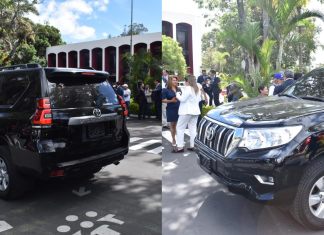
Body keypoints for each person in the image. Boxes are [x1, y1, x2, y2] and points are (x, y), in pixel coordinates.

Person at [173, 75, 201, 153]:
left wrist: (177, 94)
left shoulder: (188, 88)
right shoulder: (197, 88)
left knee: (180, 128)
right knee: (193, 129)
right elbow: (199, 100)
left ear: (188, 81)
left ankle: (180, 147)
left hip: (186, 111)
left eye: (185, 81)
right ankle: (193, 145)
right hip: (195, 111)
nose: (185, 83)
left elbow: (182, 99)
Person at [162, 76, 180, 147]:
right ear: (170, 81)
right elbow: (162, 100)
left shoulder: (179, 89)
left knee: (179, 125)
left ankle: (179, 139)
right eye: (174, 80)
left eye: (176, 80)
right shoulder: (165, 90)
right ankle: (173, 139)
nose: (175, 81)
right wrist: (171, 101)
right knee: (173, 125)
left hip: (180, 109)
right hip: (171, 109)